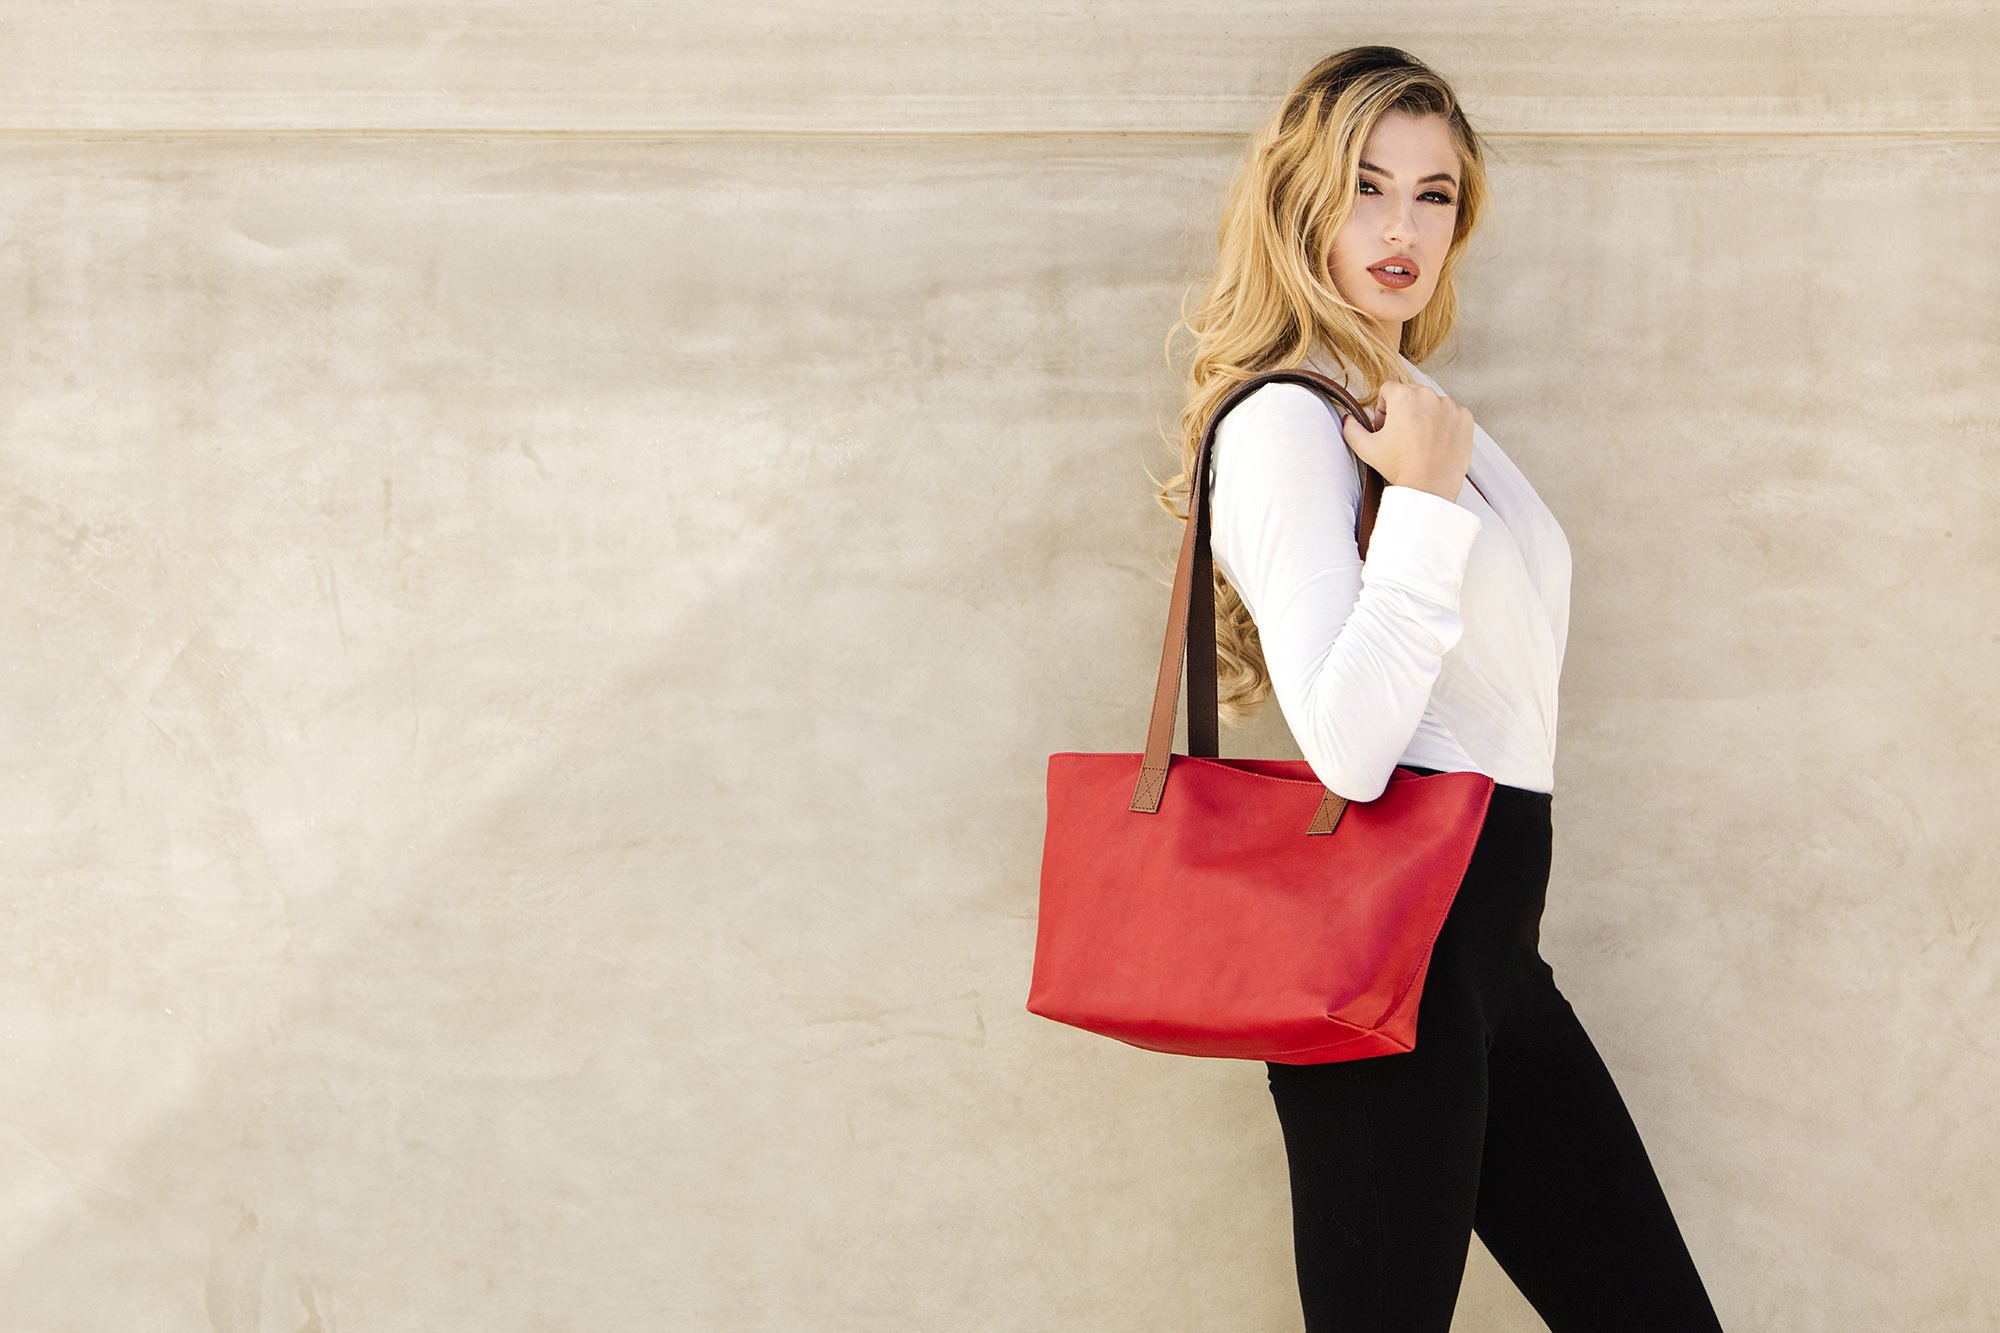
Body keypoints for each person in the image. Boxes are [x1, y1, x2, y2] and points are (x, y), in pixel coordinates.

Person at [1158, 46, 1728, 1330]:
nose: (1400, 226)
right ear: (1298, 200)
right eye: (1365, 186)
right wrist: (1415, 500)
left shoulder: (1410, 406)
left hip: (1490, 949)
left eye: (1431, 192)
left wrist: (1427, 478)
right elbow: (1349, 749)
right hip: (1386, 960)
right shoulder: (1283, 426)